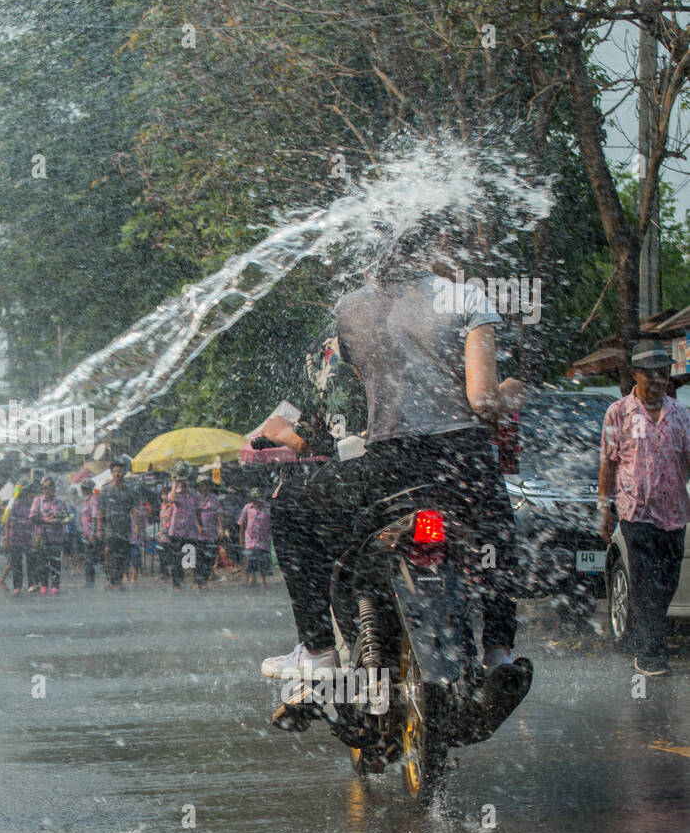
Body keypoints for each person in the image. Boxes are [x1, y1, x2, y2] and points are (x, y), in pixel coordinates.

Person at [264, 235, 526, 686]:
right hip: (463, 466)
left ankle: (319, 650)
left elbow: (345, 389)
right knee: (497, 535)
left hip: (391, 466)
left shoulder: (350, 308)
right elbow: (481, 399)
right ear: (430, 248)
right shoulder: (465, 297)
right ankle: (498, 652)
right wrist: (513, 394)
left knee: (289, 507)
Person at [599, 340, 690, 675]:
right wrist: (604, 508)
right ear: (635, 375)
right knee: (646, 583)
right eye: (650, 374)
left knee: (666, 582)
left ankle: (645, 639)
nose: (657, 381)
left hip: (675, 514)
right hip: (635, 513)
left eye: (663, 374)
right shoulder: (618, 413)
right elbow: (607, 464)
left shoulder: (681, 416)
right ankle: (651, 655)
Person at [96, 456, 140, 589]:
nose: (118, 474)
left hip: (124, 527)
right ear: (111, 473)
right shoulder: (105, 491)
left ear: (124, 473)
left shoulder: (129, 490)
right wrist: (99, 528)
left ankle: (119, 580)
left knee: (122, 555)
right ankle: (110, 580)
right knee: (109, 553)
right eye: (115, 471)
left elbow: (134, 510)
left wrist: (137, 526)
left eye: (120, 471)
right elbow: (100, 512)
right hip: (110, 527)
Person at [29, 476, 67, 595]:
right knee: (43, 562)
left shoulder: (60, 503)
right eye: (44, 488)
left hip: (56, 537)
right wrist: (46, 521)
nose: (47, 490)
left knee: (55, 561)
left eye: (49, 487)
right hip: (42, 537)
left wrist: (59, 520)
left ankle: (55, 585)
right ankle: (44, 584)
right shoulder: (38, 501)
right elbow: (32, 517)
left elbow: (66, 518)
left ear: (54, 488)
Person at [165, 464, 198, 592]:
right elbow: (171, 498)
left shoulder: (193, 494)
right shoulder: (176, 493)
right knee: (176, 560)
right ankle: (177, 584)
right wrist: (174, 483)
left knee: (191, 559)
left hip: (191, 531)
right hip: (177, 531)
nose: (183, 484)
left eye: (185, 481)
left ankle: (195, 582)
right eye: (181, 481)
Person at [237, 488, 273, 587]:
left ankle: (263, 580)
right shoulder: (247, 508)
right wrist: (241, 537)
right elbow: (241, 523)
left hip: (263, 538)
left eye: (258, 498)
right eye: (254, 498)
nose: (256, 500)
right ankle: (252, 579)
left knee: (263, 559)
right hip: (250, 538)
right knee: (251, 559)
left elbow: (271, 523)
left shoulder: (267, 507)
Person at [194, 475, 221, 590]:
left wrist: (221, 528)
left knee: (209, 559)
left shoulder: (214, 498)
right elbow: (194, 513)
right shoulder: (195, 498)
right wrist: (199, 525)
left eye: (206, 484)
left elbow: (219, 513)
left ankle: (204, 581)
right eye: (202, 484)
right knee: (198, 558)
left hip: (212, 532)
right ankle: (197, 581)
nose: (205, 487)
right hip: (198, 533)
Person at [79, 481, 100, 586]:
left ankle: (90, 582)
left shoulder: (93, 499)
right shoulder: (86, 501)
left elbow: (95, 517)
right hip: (85, 534)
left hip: (91, 534)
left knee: (90, 558)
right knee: (87, 558)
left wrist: (93, 533)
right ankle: (88, 581)